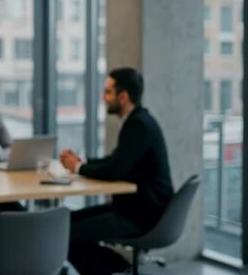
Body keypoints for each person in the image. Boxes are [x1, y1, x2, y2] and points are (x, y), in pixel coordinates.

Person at [59, 67, 173, 275]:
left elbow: (115, 171)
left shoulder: (138, 125)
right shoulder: (137, 120)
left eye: (107, 92)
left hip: (142, 215)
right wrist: (82, 161)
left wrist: (77, 167)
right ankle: (120, 268)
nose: (103, 97)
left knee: (67, 233)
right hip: (134, 207)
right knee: (66, 220)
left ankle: (117, 269)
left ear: (123, 97)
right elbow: (116, 161)